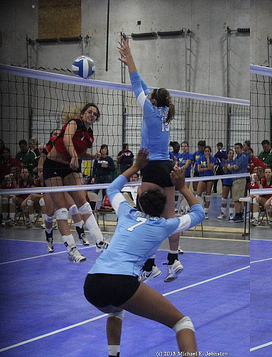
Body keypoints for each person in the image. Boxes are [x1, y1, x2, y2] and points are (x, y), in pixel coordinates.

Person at [84, 148, 204, 357]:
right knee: (183, 323)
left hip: (92, 283)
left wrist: (136, 167)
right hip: (121, 282)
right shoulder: (165, 224)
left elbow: (112, 189)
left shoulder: (126, 212)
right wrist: (182, 187)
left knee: (115, 310)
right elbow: (199, 212)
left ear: (138, 202)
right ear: (162, 208)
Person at [118, 35, 182, 283]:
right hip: (166, 165)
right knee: (169, 216)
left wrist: (130, 56)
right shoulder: (164, 111)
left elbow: (136, 85)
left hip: (152, 167)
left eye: (151, 95)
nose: (148, 95)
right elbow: (144, 86)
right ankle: (173, 260)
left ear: (153, 101)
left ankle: (149, 265)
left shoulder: (151, 111)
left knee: (147, 216)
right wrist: (129, 64)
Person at [43, 104, 107, 262]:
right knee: (62, 209)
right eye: (89, 112)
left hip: (68, 167)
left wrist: (93, 156)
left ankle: (100, 241)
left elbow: (82, 154)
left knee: (83, 204)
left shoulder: (89, 135)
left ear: (96, 118)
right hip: (53, 166)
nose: (91, 115)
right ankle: (71, 249)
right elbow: (66, 139)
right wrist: (73, 156)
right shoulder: (74, 123)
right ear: (83, 114)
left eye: (94, 114)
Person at [228, 143, 249, 223]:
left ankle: (238, 215)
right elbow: (232, 167)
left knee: (237, 199)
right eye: (235, 148)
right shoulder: (237, 157)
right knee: (238, 198)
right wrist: (232, 167)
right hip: (236, 179)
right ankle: (239, 214)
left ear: (241, 149)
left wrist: (232, 167)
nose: (236, 150)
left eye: (237, 148)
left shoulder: (243, 157)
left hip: (239, 179)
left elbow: (235, 167)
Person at [195, 146, 216, 219]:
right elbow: (199, 169)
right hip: (202, 177)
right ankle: (198, 210)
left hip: (210, 178)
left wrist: (207, 159)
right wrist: (207, 168)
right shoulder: (200, 158)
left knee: (208, 195)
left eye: (208, 151)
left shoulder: (213, 159)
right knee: (198, 194)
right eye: (205, 151)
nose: (207, 153)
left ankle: (206, 211)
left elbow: (211, 167)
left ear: (210, 152)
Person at [218, 148, 235, 220]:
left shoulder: (235, 162)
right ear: (227, 154)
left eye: (232, 154)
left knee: (232, 198)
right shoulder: (224, 162)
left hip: (233, 181)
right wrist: (225, 164)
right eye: (230, 153)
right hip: (226, 181)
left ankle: (231, 213)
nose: (231, 155)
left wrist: (229, 167)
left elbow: (232, 170)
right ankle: (223, 213)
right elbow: (225, 170)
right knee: (224, 198)